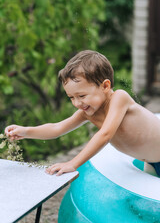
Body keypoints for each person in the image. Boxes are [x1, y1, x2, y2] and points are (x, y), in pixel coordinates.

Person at [5, 50, 160, 177]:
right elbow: (57, 128)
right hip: (151, 161)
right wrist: (26, 131)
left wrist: (73, 163)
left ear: (105, 86)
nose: (77, 103)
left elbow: (105, 134)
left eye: (82, 96)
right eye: (71, 97)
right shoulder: (88, 113)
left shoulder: (119, 98)